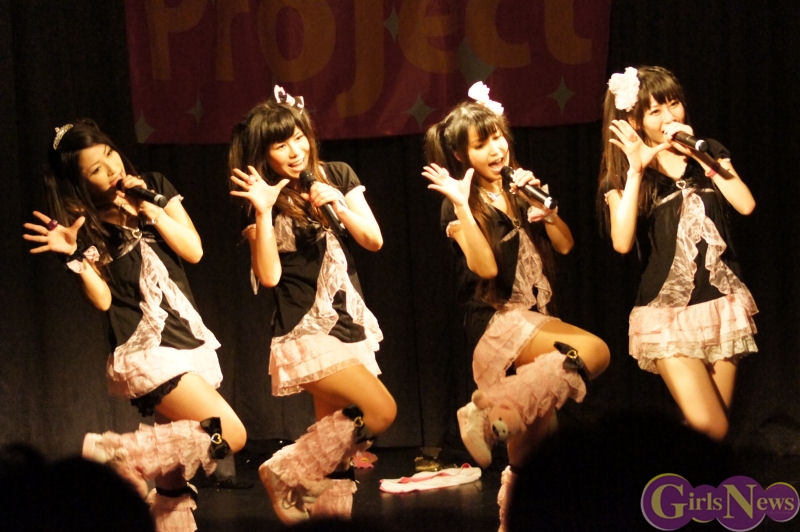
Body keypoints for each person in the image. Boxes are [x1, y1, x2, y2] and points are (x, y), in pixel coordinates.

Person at [22, 119, 247, 531]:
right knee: (230, 433)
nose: (111, 169)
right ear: (79, 183)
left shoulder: (154, 186)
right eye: (96, 169)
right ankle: (114, 455)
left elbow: (193, 250)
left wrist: (150, 209)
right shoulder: (87, 225)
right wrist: (74, 259)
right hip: (145, 349)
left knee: (172, 487)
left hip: (186, 338)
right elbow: (103, 300)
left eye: (110, 155)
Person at [422, 82, 610, 531]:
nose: (496, 149)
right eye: (481, 144)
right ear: (462, 155)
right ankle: (487, 408)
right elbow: (486, 268)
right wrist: (462, 209)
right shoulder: (458, 207)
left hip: (535, 316)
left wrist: (546, 211)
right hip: (497, 321)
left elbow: (565, 245)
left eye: (498, 137)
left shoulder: (520, 187)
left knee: (533, 450)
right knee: (594, 351)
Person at [228, 86, 397, 524]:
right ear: (263, 153)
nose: (295, 150)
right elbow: (269, 276)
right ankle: (283, 470)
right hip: (305, 329)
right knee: (381, 411)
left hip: (348, 323)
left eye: (299, 138)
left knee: (337, 459)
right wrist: (263, 212)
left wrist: (337, 201)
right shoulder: (261, 198)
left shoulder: (337, 173)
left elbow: (373, 240)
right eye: (280, 145)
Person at [597, 65, 758, 442]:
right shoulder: (623, 174)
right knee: (710, 426)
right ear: (635, 121)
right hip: (666, 313)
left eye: (674, 104)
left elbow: (746, 204)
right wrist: (636, 170)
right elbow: (622, 242)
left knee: (710, 437)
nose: (669, 116)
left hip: (720, 306)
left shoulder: (707, 152)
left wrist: (701, 157)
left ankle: (670, 477)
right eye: (655, 111)